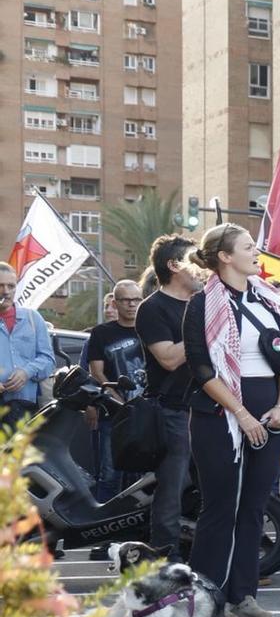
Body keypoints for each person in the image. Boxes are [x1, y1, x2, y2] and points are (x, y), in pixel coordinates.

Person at [182, 224, 280, 617]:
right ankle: (206, 599)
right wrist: (242, 413)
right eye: (249, 247)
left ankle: (243, 595)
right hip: (221, 413)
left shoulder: (271, 303)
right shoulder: (202, 304)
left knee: (255, 505)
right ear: (224, 256)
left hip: (270, 411)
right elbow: (202, 369)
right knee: (220, 506)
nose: (258, 252)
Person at [137, 235, 202, 554]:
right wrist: (204, 329)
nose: (204, 268)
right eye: (196, 260)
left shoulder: (201, 304)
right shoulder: (152, 309)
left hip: (209, 410)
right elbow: (169, 358)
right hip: (173, 412)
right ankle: (166, 559)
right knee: (171, 491)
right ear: (175, 265)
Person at [85, 279, 147, 498]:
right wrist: (120, 402)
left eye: (136, 299)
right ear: (116, 302)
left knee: (143, 477)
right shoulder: (101, 333)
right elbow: (97, 373)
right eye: (126, 300)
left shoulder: (151, 329)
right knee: (109, 475)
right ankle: (102, 526)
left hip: (148, 415)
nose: (132, 304)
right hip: (113, 415)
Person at [0, 264, 55, 432]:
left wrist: (27, 372)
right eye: (0, 285)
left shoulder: (33, 318)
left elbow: (48, 360)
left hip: (25, 409)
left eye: (11, 286)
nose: (6, 291)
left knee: (19, 457)